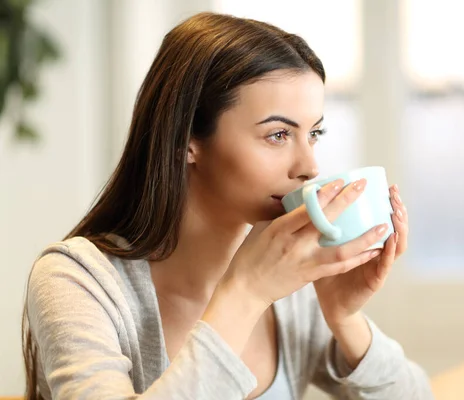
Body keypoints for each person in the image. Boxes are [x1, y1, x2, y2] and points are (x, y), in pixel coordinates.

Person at [22, 12, 433, 400]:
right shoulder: (77, 280)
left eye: (314, 133)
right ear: (188, 140)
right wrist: (245, 293)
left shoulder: (291, 287)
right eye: (277, 135)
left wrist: (343, 318)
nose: (310, 166)